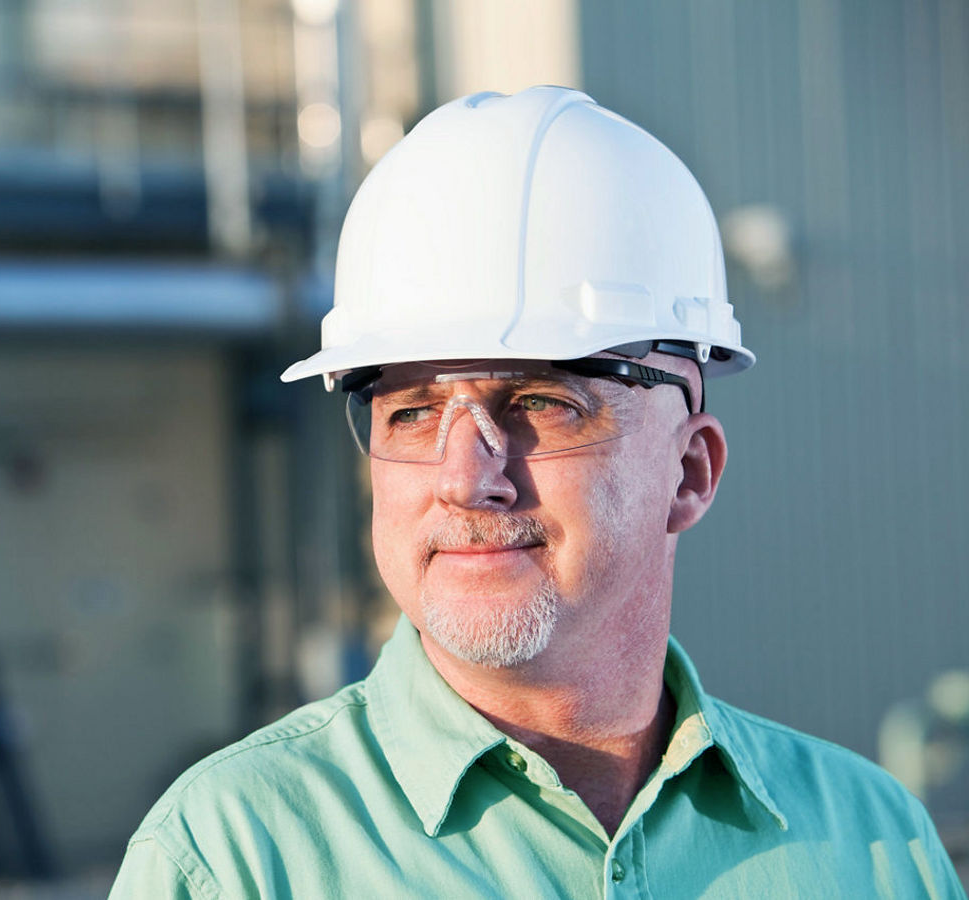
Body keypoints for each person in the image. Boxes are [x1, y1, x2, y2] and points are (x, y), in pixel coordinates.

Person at [110, 86, 965, 897]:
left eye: (542, 404)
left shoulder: (872, 844)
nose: (465, 478)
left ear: (690, 472)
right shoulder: (232, 860)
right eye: (410, 413)